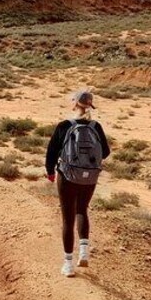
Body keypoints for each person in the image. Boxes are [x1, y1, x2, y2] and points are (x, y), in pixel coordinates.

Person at [45, 90, 110, 277]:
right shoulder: (96, 126)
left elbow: (52, 152)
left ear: (74, 104)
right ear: (90, 105)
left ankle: (68, 264)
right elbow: (105, 152)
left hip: (67, 176)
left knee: (68, 218)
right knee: (82, 209)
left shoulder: (64, 125)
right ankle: (83, 251)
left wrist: (51, 172)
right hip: (89, 177)